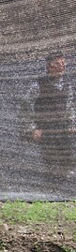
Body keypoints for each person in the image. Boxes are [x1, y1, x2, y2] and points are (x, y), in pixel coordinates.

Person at [30, 52, 76, 182]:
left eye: (63, 63)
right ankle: (52, 183)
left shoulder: (69, 84)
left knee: (68, 155)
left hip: (63, 128)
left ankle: (67, 183)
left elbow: (70, 105)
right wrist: (33, 128)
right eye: (57, 64)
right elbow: (26, 106)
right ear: (49, 67)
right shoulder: (38, 85)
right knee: (51, 158)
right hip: (46, 128)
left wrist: (72, 123)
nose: (61, 67)